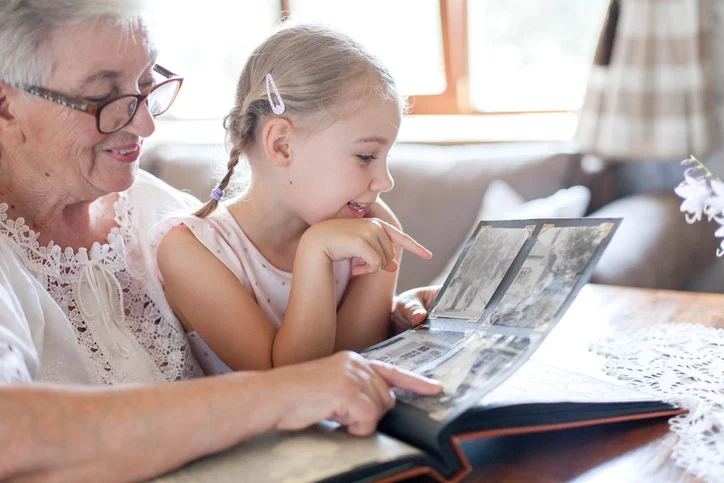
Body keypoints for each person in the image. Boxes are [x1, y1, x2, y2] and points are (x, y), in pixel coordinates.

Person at [0, 1, 441, 480]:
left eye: (148, 85)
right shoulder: (183, 239)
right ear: (6, 105)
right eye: (107, 97)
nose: (147, 125)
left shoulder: (152, 206)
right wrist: (287, 393)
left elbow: (306, 330)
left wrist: (388, 312)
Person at [151, 24, 432, 373]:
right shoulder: (190, 251)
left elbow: (353, 363)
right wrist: (315, 251)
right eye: (365, 156)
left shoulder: (372, 224)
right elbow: (294, 382)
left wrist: (398, 318)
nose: (385, 181)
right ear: (281, 145)